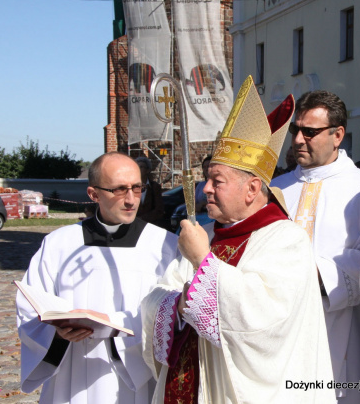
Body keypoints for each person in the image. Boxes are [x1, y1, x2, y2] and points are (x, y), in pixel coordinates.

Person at [141, 76, 334, 404]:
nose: (206, 189)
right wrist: (175, 303)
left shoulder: (285, 239)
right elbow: (158, 294)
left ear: (252, 189)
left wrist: (203, 263)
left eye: (217, 181)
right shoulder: (212, 234)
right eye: (206, 179)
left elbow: (265, 322)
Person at [16, 152, 178, 404]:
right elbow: (30, 309)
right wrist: (56, 335)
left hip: (137, 379)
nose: (131, 199)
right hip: (73, 373)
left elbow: (172, 314)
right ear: (93, 194)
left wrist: (114, 323)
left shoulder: (164, 245)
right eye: (119, 190)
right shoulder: (59, 244)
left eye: (137, 188)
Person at [271, 90, 360, 403]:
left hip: (344, 332)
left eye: (309, 132)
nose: (297, 140)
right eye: (296, 130)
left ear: (338, 135)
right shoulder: (275, 191)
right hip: (282, 328)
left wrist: (317, 274)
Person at [135, 156, 165, 224]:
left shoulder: (154, 187)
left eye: (141, 167)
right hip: (133, 224)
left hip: (150, 224)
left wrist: (142, 219)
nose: (138, 169)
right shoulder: (130, 186)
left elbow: (159, 209)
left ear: (147, 170)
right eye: (137, 167)